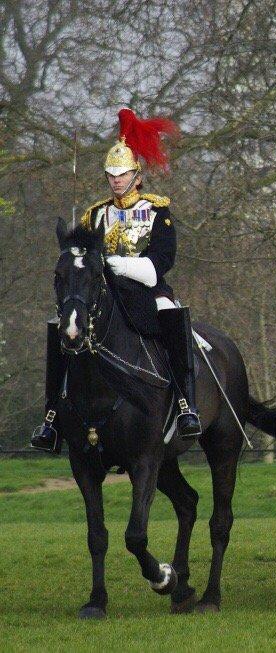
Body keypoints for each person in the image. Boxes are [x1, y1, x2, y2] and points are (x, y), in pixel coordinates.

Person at [31, 108, 200, 452]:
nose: (116, 181)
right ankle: (51, 416)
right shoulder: (95, 214)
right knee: (59, 324)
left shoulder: (157, 211)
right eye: (111, 175)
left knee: (171, 312)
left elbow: (161, 263)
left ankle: (185, 404)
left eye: (123, 175)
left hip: (147, 288)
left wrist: (117, 264)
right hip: (102, 292)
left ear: (137, 176)